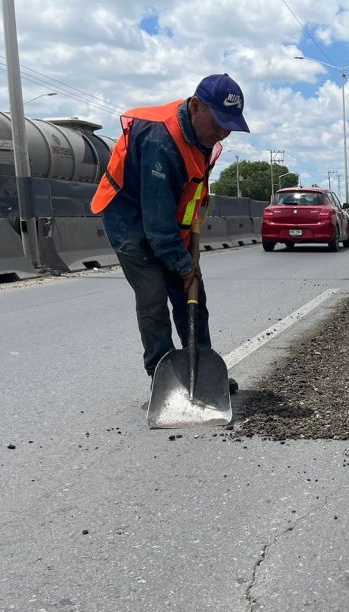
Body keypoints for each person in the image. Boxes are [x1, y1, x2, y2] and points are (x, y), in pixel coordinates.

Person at [90, 73, 249, 397]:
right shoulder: (159, 140)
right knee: (153, 298)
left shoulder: (200, 138)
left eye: (229, 125)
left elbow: (187, 202)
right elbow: (157, 226)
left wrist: (190, 256)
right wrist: (184, 265)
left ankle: (201, 370)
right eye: (218, 122)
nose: (222, 132)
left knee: (193, 296)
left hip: (167, 220)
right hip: (129, 220)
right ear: (195, 106)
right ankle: (164, 379)